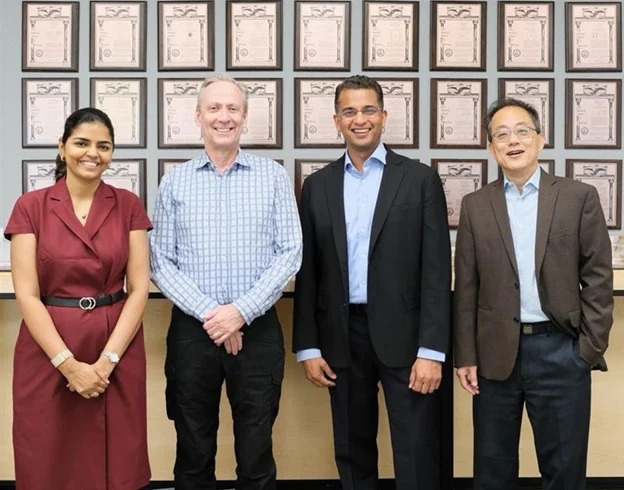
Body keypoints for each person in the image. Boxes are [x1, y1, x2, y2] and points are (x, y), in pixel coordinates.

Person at [293, 75, 451, 490]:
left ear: (383, 116)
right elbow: (309, 272)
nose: (359, 119)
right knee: (351, 448)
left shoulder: (419, 180)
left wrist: (432, 350)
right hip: (341, 337)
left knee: (416, 449)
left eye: (368, 110)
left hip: (408, 338)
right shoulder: (318, 186)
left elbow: (437, 271)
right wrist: (308, 346)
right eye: (349, 111)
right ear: (336, 121)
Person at [150, 73, 302, 490]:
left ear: (245, 117)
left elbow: (290, 251)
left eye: (233, 108)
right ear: (198, 116)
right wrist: (214, 316)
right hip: (192, 333)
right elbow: (160, 261)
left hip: (257, 331)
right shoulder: (175, 181)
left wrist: (239, 312)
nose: (224, 116)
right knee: (193, 450)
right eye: (214, 108)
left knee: (256, 451)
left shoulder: (272, 176)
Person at [453, 98, 614, 490]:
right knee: (492, 471)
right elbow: (467, 288)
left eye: (522, 131)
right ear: (491, 147)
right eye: (501, 134)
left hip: (561, 350)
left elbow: (597, 277)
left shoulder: (578, 197)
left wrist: (587, 349)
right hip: (495, 356)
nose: (513, 141)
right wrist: (466, 355)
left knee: (564, 470)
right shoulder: (475, 206)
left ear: (541, 139)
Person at [5, 107, 152, 490]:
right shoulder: (30, 206)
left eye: (104, 146)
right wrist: (68, 365)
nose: (93, 153)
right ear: (62, 147)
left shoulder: (128, 204)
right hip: (48, 348)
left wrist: (107, 361)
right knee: (47, 458)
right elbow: (27, 294)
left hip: (115, 346)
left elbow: (139, 288)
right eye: (82, 143)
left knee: (119, 463)